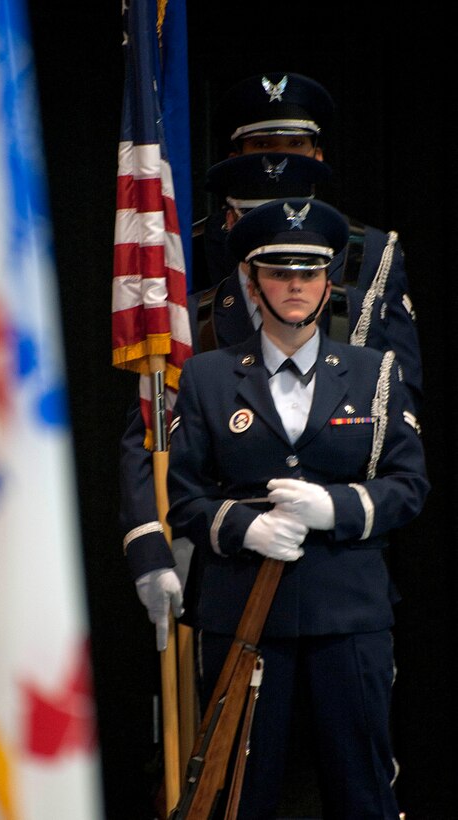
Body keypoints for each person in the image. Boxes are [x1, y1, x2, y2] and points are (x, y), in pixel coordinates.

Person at [166, 197, 429, 819]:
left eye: (308, 272)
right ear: (253, 283)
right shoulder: (205, 376)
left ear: (329, 282)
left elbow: (409, 484)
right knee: (239, 790)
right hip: (243, 612)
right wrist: (245, 526)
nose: (294, 285)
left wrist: (334, 507)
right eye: (279, 271)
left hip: (349, 613)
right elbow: (184, 496)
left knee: (361, 789)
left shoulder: (373, 372)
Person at [194, 71, 423, 414]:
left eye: (296, 145)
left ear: (318, 156)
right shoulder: (191, 248)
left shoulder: (370, 250)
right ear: (235, 157)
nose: (280, 161)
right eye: (262, 146)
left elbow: (401, 385)